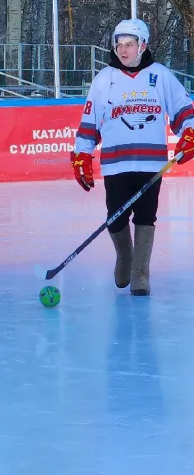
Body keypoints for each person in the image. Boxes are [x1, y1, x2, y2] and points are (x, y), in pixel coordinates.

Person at [71, 18, 194, 296]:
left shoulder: (160, 75)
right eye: (119, 45)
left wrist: (190, 132)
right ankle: (125, 258)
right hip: (116, 164)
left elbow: (184, 111)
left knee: (146, 216)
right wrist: (81, 154)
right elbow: (90, 122)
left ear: (143, 45)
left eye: (129, 44)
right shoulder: (104, 79)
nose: (123, 50)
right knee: (115, 217)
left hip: (151, 163)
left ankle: (140, 274)